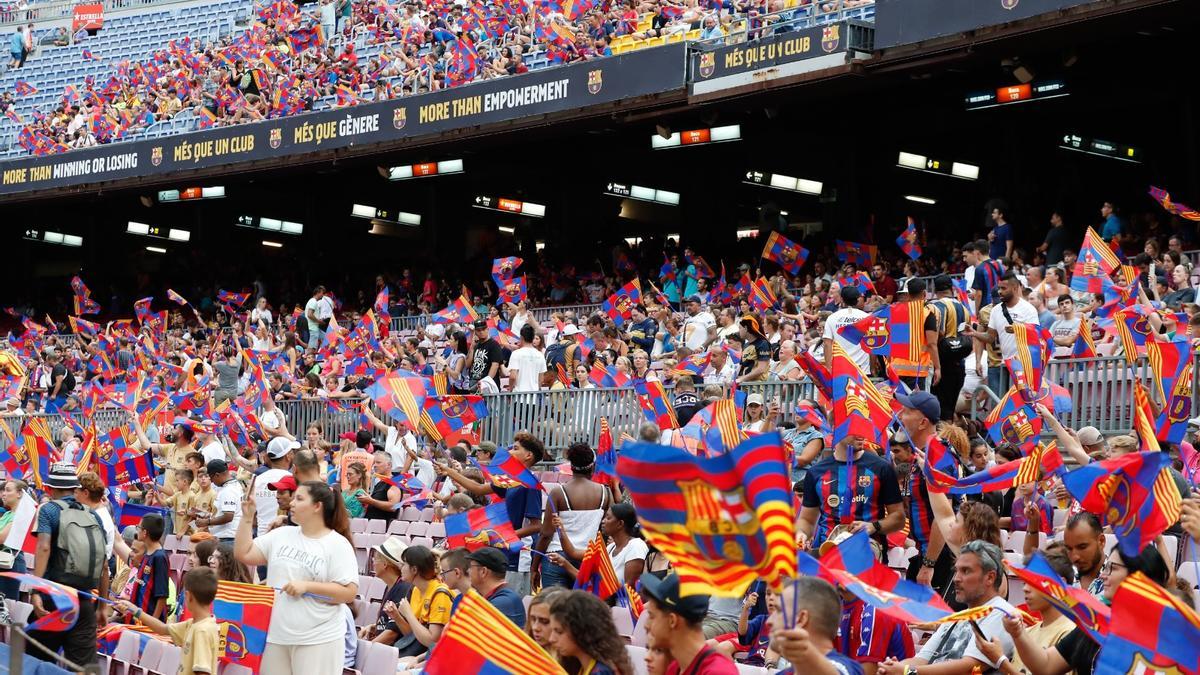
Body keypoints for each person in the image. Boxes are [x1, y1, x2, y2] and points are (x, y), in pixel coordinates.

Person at [235, 480, 358, 673]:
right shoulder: (282, 534)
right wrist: (247, 518)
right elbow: (244, 553)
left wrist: (307, 587)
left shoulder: (337, 544)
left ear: (317, 506)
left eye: (299, 498)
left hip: (318, 638)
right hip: (276, 635)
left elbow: (348, 593)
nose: (291, 503)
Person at [1005, 544, 1170, 675]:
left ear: (1137, 576)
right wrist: (1018, 633)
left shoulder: (1161, 634)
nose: (1104, 575)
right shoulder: (1095, 621)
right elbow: (1046, 666)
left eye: (1113, 568)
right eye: (1106, 568)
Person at [877, 540, 1015, 675]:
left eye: (965, 571)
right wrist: (892, 668)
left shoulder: (1001, 613)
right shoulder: (958, 617)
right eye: (956, 571)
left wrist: (907, 671)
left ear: (990, 577)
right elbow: (922, 659)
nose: (956, 578)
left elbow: (970, 667)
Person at [438, 432, 545, 595]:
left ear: (528, 455)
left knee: (509, 603)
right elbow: (479, 489)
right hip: (503, 550)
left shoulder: (530, 484)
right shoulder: (511, 479)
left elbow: (537, 525)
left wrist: (505, 537)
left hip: (519, 554)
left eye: (516, 449)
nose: (510, 452)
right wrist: (449, 471)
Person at [28, 463, 109, 669]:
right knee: (82, 670)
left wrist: (36, 590)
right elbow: (104, 565)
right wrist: (102, 606)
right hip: (84, 605)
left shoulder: (48, 510)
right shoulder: (93, 515)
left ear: (49, 488)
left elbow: (44, 548)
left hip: (51, 602)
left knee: (35, 664)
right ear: (75, 488)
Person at [798, 436, 905, 555]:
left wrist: (873, 526)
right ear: (836, 427)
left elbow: (899, 518)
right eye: (854, 427)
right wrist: (801, 533)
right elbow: (807, 520)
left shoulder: (881, 467)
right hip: (826, 555)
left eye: (863, 427)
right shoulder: (816, 472)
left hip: (869, 555)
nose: (861, 435)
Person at [115, 566, 222, 675]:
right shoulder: (195, 624)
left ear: (188, 596)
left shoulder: (202, 631)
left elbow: (203, 672)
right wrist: (135, 611)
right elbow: (162, 629)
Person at [537, 443, 611, 589]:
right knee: (581, 609)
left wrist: (534, 566)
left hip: (556, 557)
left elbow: (546, 534)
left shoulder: (558, 493)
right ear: (593, 467)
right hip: (587, 558)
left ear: (570, 466)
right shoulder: (605, 493)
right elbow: (607, 531)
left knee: (553, 610)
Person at [641, 571, 738, 674]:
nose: (646, 625)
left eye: (652, 616)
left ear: (672, 621)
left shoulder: (718, 672)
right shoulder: (674, 667)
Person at [769, 577, 865, 675]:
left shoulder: (848, 668)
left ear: (801, 618)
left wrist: (804, 652)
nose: (769, 621)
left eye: (779, 610)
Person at [964, 271, 1039, 395]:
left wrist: (1018, 329)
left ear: (1015, 288)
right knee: (999, 403)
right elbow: (990, 337)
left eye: (1003, 288)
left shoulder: (1028, 309)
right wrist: (974, 333)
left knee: (1021, 403)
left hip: (1022, 365)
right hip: (1002, 363)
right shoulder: (995, 311)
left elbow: (1036, 334)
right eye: (999, 288)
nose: (999, 291)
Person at [386, 544, 452, 658]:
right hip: (418, 654)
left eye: (404, 564)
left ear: (414, 569)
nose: (400, 567)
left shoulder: (440, 594)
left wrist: (408, 614)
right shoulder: (416, 590)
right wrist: (396, 616)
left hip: (432, 658)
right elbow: (413, 636)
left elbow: (432, 642)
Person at [548, 590, 635, 675]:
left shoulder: (602, 672)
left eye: (559, 632)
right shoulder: (583, 666)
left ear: (581, 630)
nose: (551, 639)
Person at [466, 546, 527, 627]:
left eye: (471, 567)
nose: (468, 571)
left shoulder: (502, 602)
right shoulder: (498, 596)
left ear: (483, 572)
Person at [126, 512, 170, 623]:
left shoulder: (159, 557)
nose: (137, 530)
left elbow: (162, 596)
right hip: (138, 619)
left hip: (148, 624)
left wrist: (153, 623)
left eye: (138, 527)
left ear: (145, 533)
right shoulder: (147, 554)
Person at [369, 536, 413, 644]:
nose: (373, 562)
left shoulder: (403, 588)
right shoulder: (390, 586)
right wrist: (374, 627)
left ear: (385, 564)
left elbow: (392, 634)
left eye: (375, 559)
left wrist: (367, 647)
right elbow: (389, 624)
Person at [823, 286, 870, 373]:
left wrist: (829, 368)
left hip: (840, 371)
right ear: (857, 299)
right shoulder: (867, 317)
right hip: (862, 370)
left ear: (841, 299)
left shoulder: (832, 317)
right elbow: (872, 343)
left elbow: (827, 343)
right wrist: (873, 367)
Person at [197, 459, 242, 543]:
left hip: (228, 537)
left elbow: (228, 516)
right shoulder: (235, 485)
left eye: (211, 478)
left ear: (217, 475)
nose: (212, 482)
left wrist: (206, 522)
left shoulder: (228, 490)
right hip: (230, 536)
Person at [0, 478, 30, 600]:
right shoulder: (8, 514)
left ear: (19, 494)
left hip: (10, 563)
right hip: (4, 561)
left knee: (6, 607)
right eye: (3, 490)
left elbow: (2, 538)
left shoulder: (20, 515)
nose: (3, 494)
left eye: (8, 490)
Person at [604, 502, 647, 588]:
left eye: (608, 518)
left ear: (620, 524)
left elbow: (629, 588)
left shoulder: (636, 546)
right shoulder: (610, 548)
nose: (603, 521)